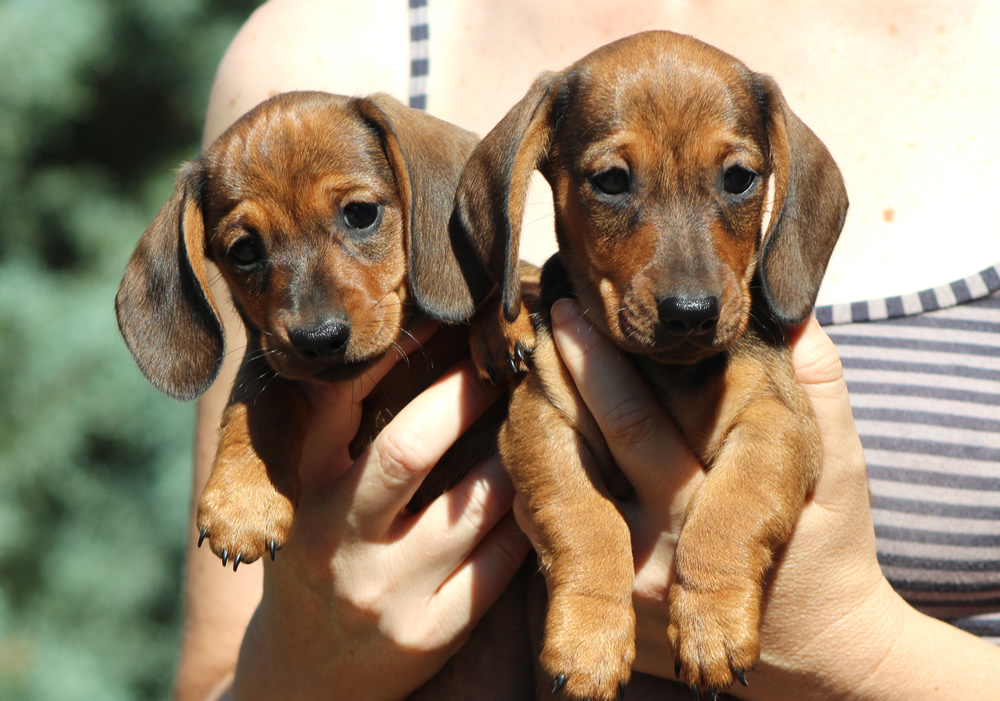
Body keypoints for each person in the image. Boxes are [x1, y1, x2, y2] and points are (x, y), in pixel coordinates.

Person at [171, 2, 1000, 699]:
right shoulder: (327, 39)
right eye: (611, 181)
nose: (688, 292)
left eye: (738, 180)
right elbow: (218, 678)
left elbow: (775, 440)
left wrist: (857, 646)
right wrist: (302, 655)